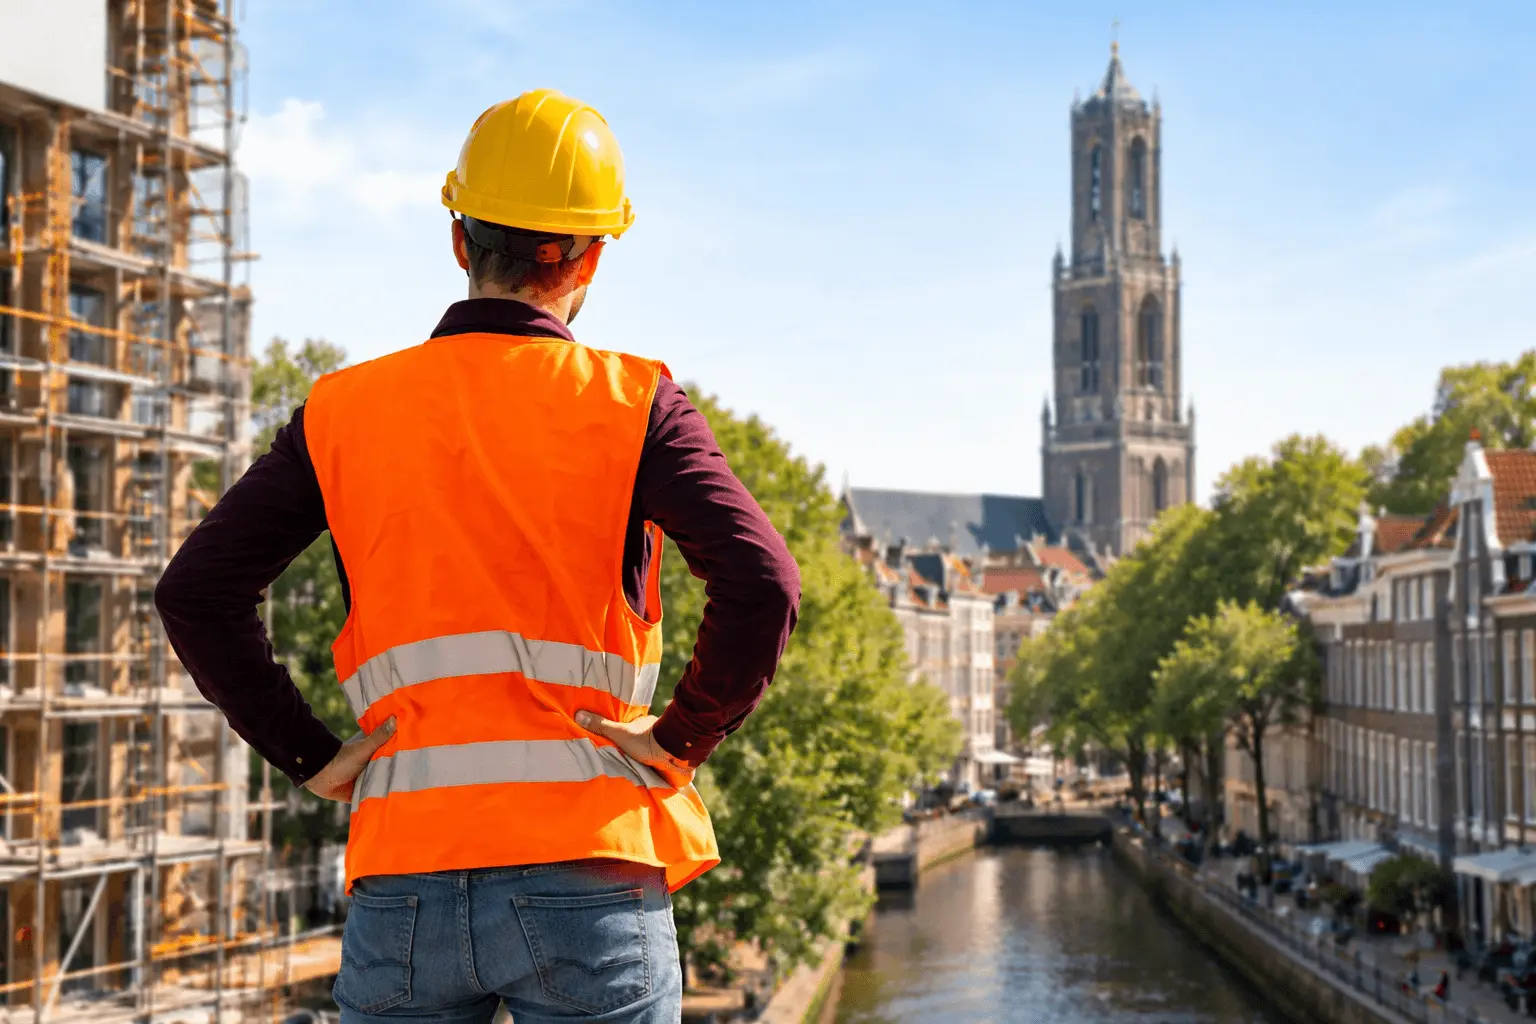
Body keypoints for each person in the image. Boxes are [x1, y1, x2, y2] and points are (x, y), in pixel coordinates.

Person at [154, 89, 801, 1023]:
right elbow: (763, 583)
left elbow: (196, 593)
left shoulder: (343, 413)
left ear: (459, 240)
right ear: (593, 256)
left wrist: (310, 754)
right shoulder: (634, 404)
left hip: (405, 878)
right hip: (591, 869)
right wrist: (679, 740)